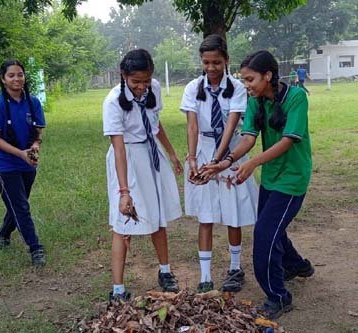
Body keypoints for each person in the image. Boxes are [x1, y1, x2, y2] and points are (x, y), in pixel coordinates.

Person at [201, 50, 314, 319]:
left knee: (264, 234)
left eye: (250, 79)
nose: (246, 85)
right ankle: (298, 266)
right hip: (272, 176)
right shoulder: (256, 100)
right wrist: (225, 162)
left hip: (293, 178)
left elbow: (288, 140)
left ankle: (278, 296)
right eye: (243, 79)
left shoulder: (296, 97)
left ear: (268, 75)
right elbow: (248, 138)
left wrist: (253, 164)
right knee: (273, 227)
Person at [180, 34, 258, 294]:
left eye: (216, 62)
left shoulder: (237, 87)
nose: (211, 68)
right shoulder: (193, 87)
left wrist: (219, 161)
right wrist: (193, 159)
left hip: (229, 152)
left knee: (232, 213)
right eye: (206, 62)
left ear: (226, 60)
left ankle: (235, 268)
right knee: (206, 215)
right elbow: (192, 125)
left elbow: (232, 124)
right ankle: (205, 276)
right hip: (202, 150)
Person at [103, 49, 183, 301]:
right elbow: (118, 148)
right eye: (136, 82)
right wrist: (124, 192)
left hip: (151, 154)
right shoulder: (113, 101)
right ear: (123, 75)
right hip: (127, 159)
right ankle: (118, 289)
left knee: (158, 216)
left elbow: (155, 125)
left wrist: (170, 154)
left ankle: (165, 271)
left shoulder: (154, 88)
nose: (141, 87)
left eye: (145, 81)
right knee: (123, 221)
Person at [0, 59, 46, 267]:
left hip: (27, 162)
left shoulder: (33, 102)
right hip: (4, 164)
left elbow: (38, 133)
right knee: (20, 206)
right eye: (11, 75)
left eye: (19, 74)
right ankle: (35, 247)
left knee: (17, 203)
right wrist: (19, 153)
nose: (16, 79)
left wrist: (35, 146)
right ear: (3, 79)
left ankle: (3, 233)